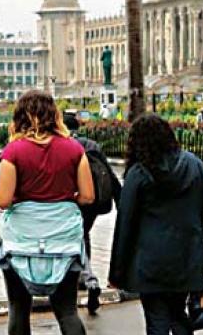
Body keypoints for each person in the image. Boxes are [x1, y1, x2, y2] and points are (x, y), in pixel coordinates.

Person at [109, 114, 203, 335]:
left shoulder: (139, 173)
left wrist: (117, 273)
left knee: (157, 320)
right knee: (179, 316)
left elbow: (125, 225)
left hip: (150, 264)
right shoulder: (193, 164)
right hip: (188, 258)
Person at [0, 90, 95, 335]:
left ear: (21, 116)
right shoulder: (73, 149)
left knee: (18, 308)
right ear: (54, 115)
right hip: (63, 241)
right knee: (67, 311)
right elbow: (88, 196)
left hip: (22, 240)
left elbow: (3, 200)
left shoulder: (14, 152)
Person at [63, 113, 122, 314]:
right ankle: (86, 278)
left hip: (72, 200)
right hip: (94, 202)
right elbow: (108, 172)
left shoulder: (63, 146)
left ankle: (83, 277)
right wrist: (119, 198)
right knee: (82, 234)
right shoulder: (91, 145)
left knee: (74, 237)